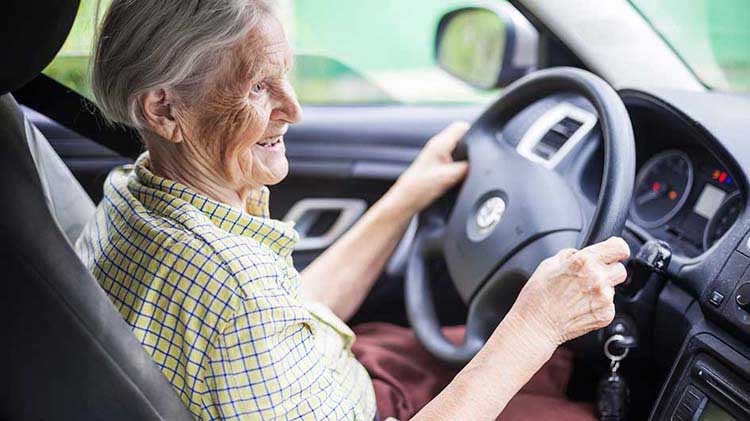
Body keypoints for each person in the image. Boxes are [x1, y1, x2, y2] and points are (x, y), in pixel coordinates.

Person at [76, 1, 630, 419]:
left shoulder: (134, 190)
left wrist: (406, 198)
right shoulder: (231, 285)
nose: (293, 108)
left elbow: (283, 316)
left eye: (285, 75)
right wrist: (536, 322)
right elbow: (245, 310)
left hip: (340, 374)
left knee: (550, 363)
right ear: (165, 108)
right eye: (258, 87)